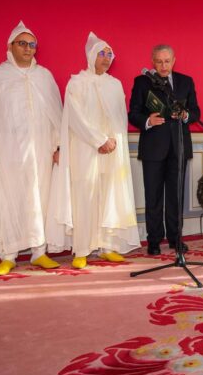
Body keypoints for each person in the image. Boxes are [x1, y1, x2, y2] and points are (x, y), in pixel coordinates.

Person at [45, 32, 140, 268]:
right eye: (101, 53)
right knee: (84, 196)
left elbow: (119, 117)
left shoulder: (114, 84)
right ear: (91, 56)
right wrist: (99, 140)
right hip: (85, 149)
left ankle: (107, 246)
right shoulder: (77, 83)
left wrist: (114, 142)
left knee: (108, 195)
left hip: (111, 151)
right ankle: (82, 249)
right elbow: (75, 118)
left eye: (109, 54)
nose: (106, 58)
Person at [0, 21, 63, 276]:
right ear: (10, 46)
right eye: (22, 43)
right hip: (8, 153)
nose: (28, 48)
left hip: (41, 151)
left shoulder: (44, 76)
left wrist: (58, 146)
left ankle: (39, 252)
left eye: (32, 44)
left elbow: (56, 113)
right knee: (10, 200)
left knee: (41, 198)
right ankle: (8, 255)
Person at [128, 45, 200, 255]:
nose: (163, 66)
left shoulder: (186, 81)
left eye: (167, 61)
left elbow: (196, 112)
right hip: (153, 148)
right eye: (159, 61)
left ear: (174, 61)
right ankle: (154, 240)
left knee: (176, 196)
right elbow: (133, 113)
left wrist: (185, 115)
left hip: (179, 146)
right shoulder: (142, 82)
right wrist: (147, 121)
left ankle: (176, 238)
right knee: (153, 196)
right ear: (153, 62)